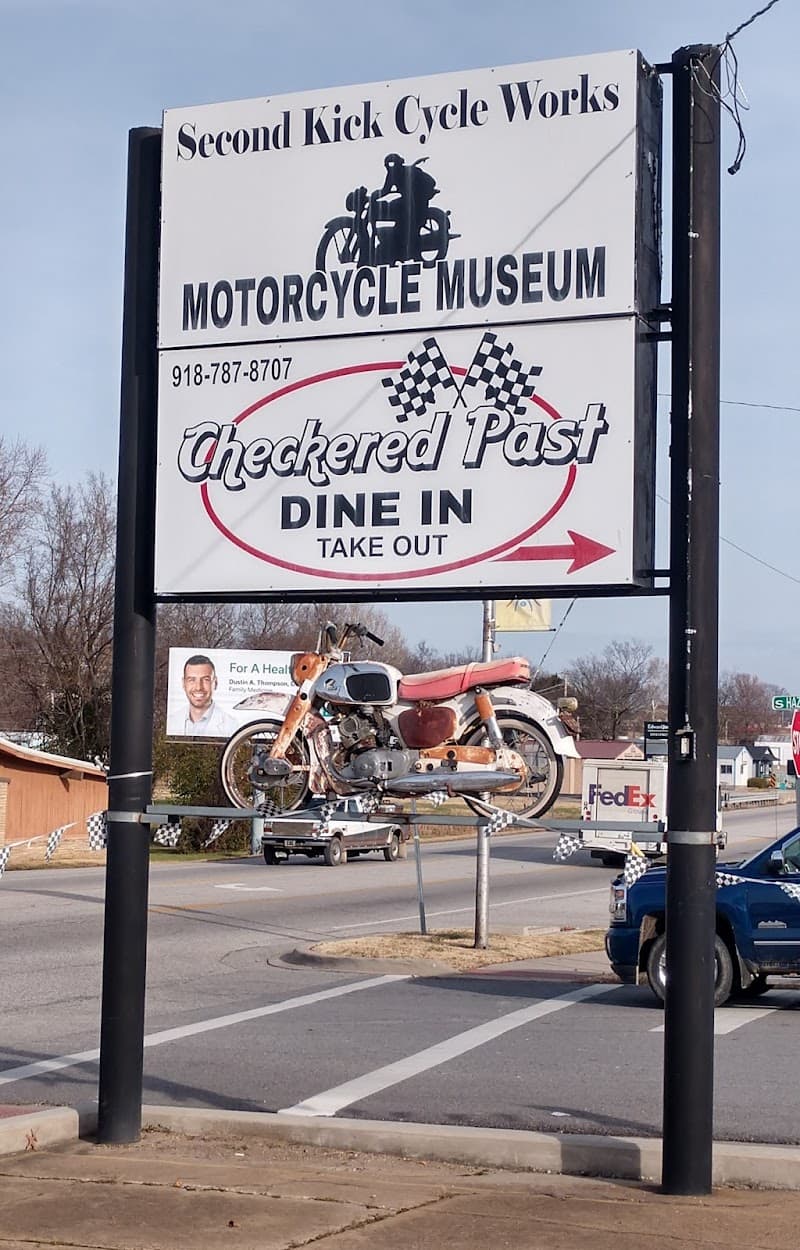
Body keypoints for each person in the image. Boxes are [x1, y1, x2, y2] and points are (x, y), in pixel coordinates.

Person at [372, 153, 437, 263]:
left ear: (399, 163)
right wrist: (374, 196)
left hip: (419, 201)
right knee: (394, 207)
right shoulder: (391, 175)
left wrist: (416, 192)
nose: (391, 168)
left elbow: (431, 182)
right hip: (407, 200)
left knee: (411, 226)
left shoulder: (412, 172)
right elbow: (385, 190)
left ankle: (414, 253)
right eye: (388, 166)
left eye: (393, 165)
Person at [181, 654, 237, 737]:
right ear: (183, 683)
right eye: (192, 680)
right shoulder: (170, 720)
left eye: (205, 680)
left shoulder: (232, 726)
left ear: (215, 683)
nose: (198, 687)